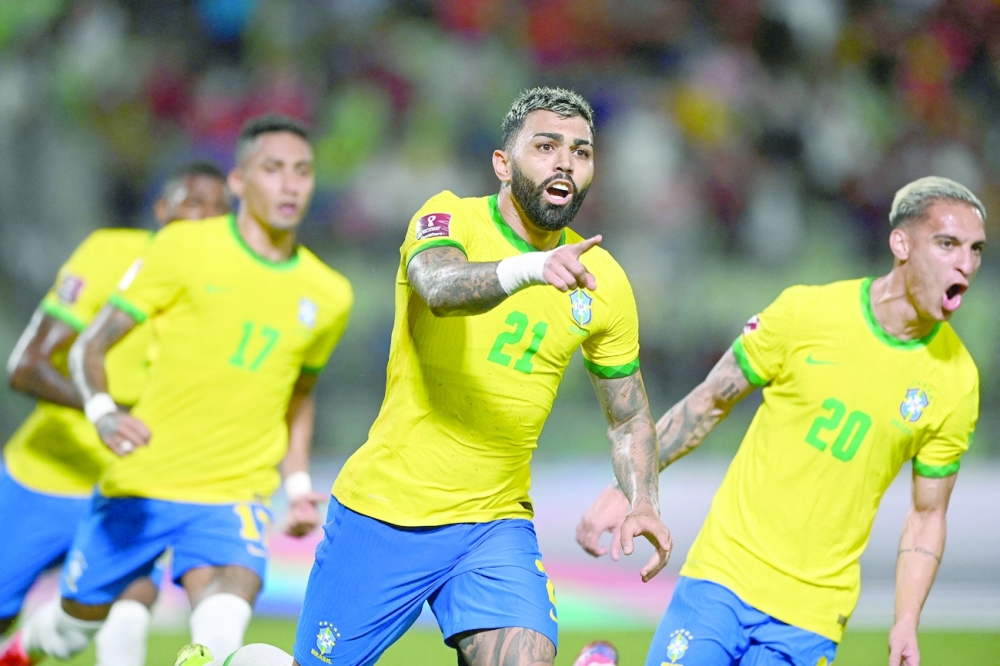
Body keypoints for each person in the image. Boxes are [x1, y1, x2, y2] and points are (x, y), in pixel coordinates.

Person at [190, 87, 673, 666]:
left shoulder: (605, 281)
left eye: (581, 151)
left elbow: (628, 414)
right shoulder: (449, 217)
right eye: (545, 146)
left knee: (525, 657)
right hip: (386, 512)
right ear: (503, 163)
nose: (565, 161)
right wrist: (532, 269)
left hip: (493, 523)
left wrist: (643, 498)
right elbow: (441, 287)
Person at [574, 176, 985, 666]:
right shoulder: (806, 313)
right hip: (723, 575)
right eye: (948, 244)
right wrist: (630, 488)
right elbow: (709, 402)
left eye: (976, 249)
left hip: (813, 613)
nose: (966, 263)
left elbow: (927, 515)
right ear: (901, 243)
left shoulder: (956, 381)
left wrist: (905, 620)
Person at [0, 114, 353, 665]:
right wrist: (104, 410)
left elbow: (296, 393)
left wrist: (298, 480)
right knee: (69, 627)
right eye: (273, 169)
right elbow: (43, 360)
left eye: (303, 171)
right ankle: (23, 650)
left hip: (228, 488)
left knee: (196, 617)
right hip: (85, 476)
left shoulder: (327, 294)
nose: (289, 184)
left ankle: (209, 655)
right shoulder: (156, 255)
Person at [0, 161, 229, 666]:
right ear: (161, 209)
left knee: (124, 625)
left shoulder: (229, 290)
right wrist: (110, 411)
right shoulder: (113, 253)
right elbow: (26, 367)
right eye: (194, 203)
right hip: (45, 477)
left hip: (131, 486)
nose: (208, 218)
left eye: (221, 209)